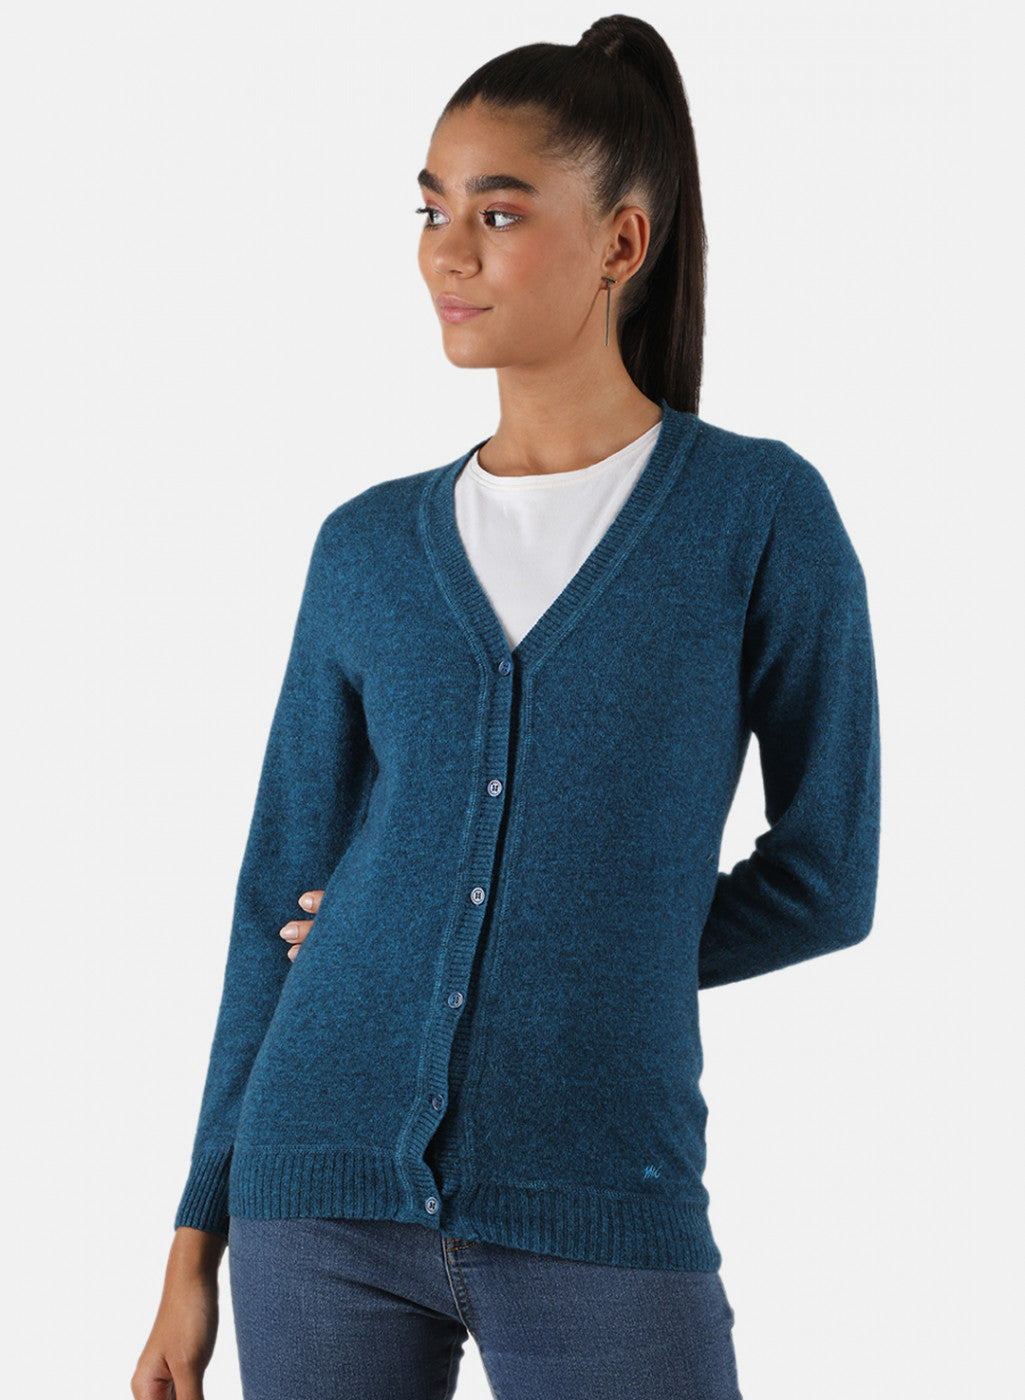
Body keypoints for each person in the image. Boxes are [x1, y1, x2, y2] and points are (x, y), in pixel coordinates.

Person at [132, 14, 881, 1400]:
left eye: (498, 211)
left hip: (602, 1188)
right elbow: (272, 897)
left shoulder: (756, 514)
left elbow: (828, 878)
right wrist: (195, 1239)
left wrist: (578, 949)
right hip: (314, 1184)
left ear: (620, 243)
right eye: (430, 209)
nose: (446, 252)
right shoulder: (365, 546)